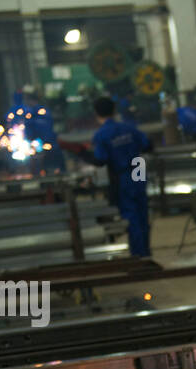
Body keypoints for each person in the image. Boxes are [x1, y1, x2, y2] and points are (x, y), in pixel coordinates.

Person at [87, 96, 152, 257]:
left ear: (96, 113)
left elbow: (100, 160)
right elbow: (148, 145)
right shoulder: (130, 128)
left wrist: (82, 154)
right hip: (139, 170)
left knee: (131, 215)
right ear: (114, 110)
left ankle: (139, 255)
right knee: (142, 211)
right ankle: (146, 251)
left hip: (123, 175)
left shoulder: (101, 135)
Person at [21, 86, 64, 174]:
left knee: (51, 169)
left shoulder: (39, 114)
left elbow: (39, 132)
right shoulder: (34, 113)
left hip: (48, 147)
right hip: (44, 147)